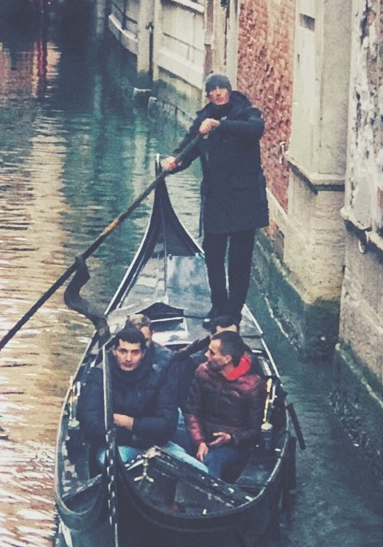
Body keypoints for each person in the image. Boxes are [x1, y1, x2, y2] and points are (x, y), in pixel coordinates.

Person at [162, 72, 269, 327]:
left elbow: (256, 130)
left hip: (244, 201)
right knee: (213, 256)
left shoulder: (247, 113)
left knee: (239, 260)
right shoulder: (202, 120)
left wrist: (221, 125)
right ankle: (218, 305)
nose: (218, 93)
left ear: (229, 90)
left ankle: (233, 313)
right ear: (208, 94)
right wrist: (173, 162)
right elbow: (188, 149)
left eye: (222, 88)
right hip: (216, 200)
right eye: (213, 89)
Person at [76, 322, 178, 456]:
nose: (128, 358)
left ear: (143, 353)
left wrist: (130, 423)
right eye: (123, 351)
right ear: (114, 351)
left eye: (135, 352)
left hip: (157, 445)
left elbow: (168, 424)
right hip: (117, 445)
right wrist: (131, 437)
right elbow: (90, 423)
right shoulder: (99, 376)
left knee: (195, 467)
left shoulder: (157, 376)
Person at [182, 330, 265, 481]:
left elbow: (254, 430)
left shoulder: (253, 386)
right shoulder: (203, 371)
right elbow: (191, 410)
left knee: (212, 461)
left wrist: (230, 438)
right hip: (200, 434)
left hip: (232, 445)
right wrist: (199, 441)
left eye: (212, 353)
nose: (206, 355)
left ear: (227, 359)